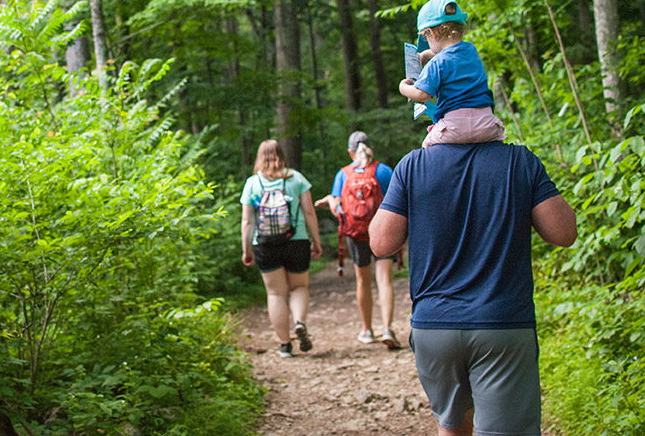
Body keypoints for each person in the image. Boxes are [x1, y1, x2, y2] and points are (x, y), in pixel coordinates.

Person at [369, 141, 577, 436]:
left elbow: (380, 243)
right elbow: (564, 233)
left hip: (435, 328)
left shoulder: (412, 166)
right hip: (502, 324)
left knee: (452, 428)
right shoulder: (519, 161)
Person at [314, 131, 400, 349]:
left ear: (350, 152)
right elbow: (396, 202)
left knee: (363, 280)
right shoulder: (384, 171)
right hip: (382, 230)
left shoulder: (343, 174)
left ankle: (367, 330)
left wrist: (330, 202)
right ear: (371, 148)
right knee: (384, 280)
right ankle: (388, 328)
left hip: (356, 233)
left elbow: (338, 208)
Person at [241, 140, 323, 358]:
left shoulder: (252, 183)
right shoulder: (296, 178)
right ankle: (299, 322)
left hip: (265, 244)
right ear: (281, 155)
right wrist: (316, 241)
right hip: (296, 241)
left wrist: (246, 249)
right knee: (299, 287)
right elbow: (308, 213)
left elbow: (247, 221)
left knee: (276, 293)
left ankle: (285, 345)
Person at [399, 0, 505, 148]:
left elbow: (422, 94)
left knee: (426, 147)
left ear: (432, 33)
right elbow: (453, 57)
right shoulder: (471, 50)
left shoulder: (437, 63)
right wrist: (427, 55)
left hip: (456, 127)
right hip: (487, 124)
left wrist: (403, 87)